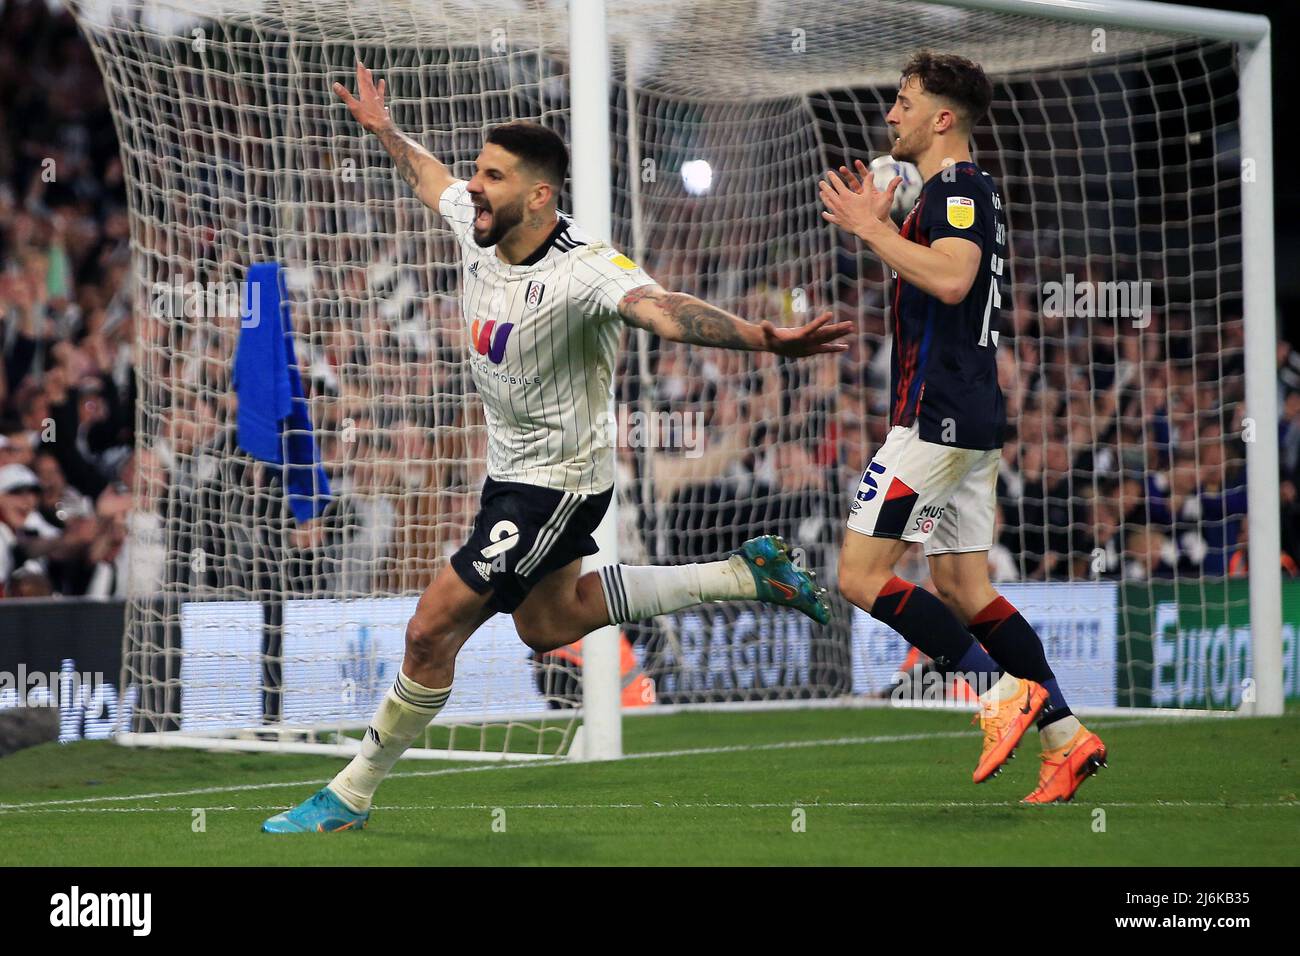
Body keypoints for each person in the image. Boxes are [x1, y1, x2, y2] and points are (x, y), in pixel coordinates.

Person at [263, 62, 850, 833]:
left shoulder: (583, 269)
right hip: (521, 476)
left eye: (493, 175)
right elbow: (427, 177)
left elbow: (663, 310)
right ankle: (740, 573)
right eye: (476, 170)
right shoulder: (479, 227)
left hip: (554, 484)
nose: (473, 185)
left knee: (428, 629)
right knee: (546, 626)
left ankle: (351, 791)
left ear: (539, 195)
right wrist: (384, 131)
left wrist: (765, 340)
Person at [818, 50, 1107, 804]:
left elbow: (952, 277)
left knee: (858, 574)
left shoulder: (958, 189)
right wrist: (880, 218)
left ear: (943, 118)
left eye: (904, 101)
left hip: (937, 414)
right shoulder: (947, 190)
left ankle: (997, 693)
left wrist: (871, 230)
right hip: (966, 413)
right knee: (963, 584)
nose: (891, 114)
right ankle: (1067, 739)